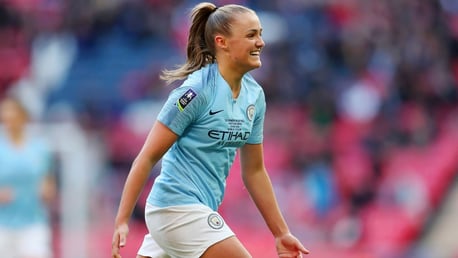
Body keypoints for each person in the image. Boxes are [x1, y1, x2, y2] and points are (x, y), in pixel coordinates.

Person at [111, 2, 310, 258]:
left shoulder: (255, 96)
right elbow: (148, 156)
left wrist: (281, 233)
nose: (260, 42)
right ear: (222, 42)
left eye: (260, 34)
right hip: (177, 208)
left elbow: (255, 172)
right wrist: (122, 219)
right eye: (251, 35)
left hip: (195, 211)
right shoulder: (195, 92)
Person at [0, 96, 56, 258]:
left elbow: (48, 183)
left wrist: (46, 191)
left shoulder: (40, 149)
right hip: (3, 224)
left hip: (33, 221)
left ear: (23, 116)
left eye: (12, 112)